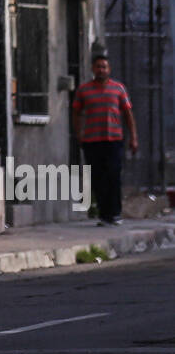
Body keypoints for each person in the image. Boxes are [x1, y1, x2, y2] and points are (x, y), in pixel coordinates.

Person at [71, 51, 138, 226]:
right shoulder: (84, 90)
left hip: (114, 139)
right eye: (98, 67)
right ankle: (103, 214)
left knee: (114, 175)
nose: (101, 70)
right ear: (93, 69)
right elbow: (76, 113)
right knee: (98, 178)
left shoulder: (118, 88)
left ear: (109, 69)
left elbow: (128, 114)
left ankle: (115, 213)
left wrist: (133, 137)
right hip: (92, 141)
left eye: (104, 67)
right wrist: (79, 133)